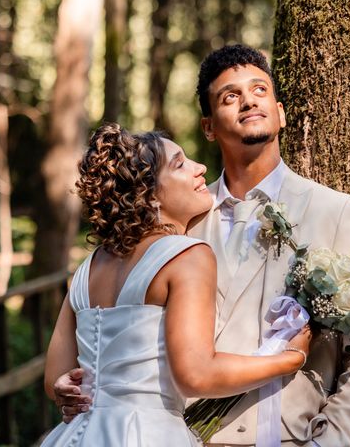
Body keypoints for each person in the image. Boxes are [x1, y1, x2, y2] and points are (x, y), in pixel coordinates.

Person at [54, 45, 350, 447]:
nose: (248, 100)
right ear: (209, 127)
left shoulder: (334, 211)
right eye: (230, 96)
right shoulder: (181, 224)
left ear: (280, 112)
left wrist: (330, 441)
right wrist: (71, 383)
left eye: (259, 90)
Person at [41, 123, 312, 446]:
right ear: (149, 195)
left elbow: (53, 378)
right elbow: (195, 375)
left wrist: (65, 390)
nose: (201, 169)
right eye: (180, 164)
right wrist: (289, 358)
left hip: (78, 435)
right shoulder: (186, 256)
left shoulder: (86, 270)